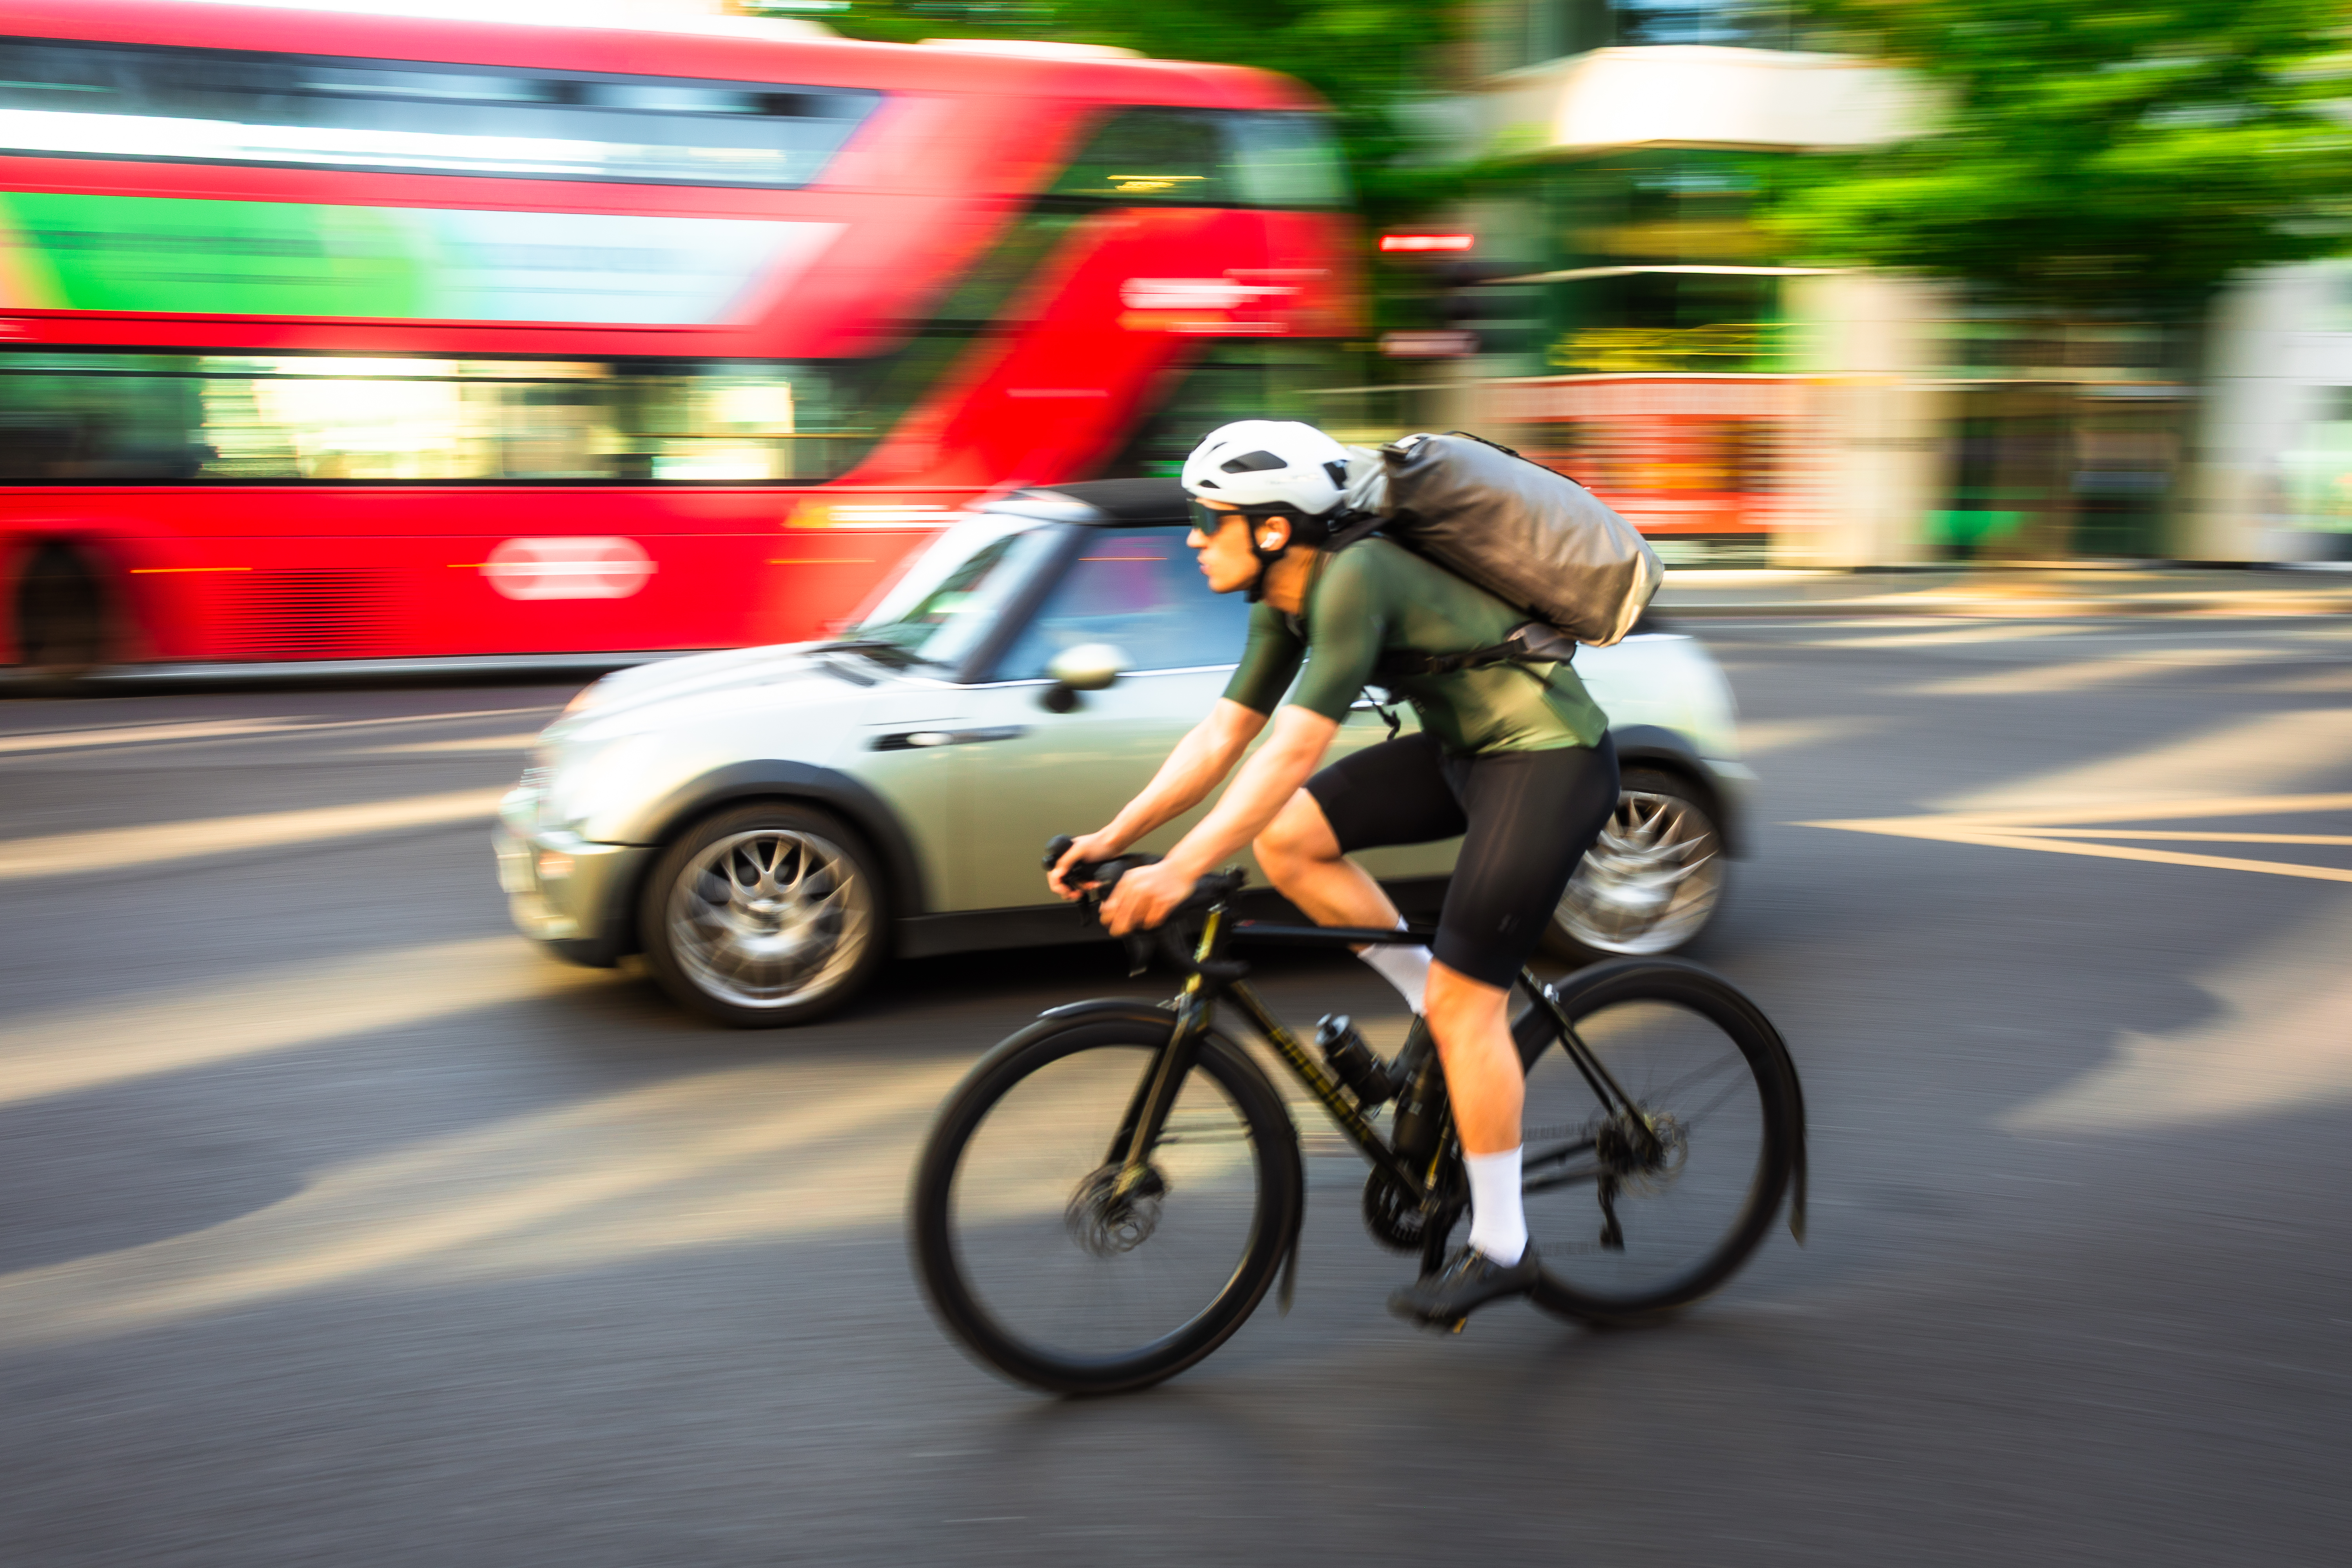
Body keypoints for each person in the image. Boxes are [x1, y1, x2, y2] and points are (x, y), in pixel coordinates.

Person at [1049, 419, 1621, 1327]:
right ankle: (1431, 1000)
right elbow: (1225, 734)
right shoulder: (1281, 594)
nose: (1193, 536)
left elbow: (1293, 748)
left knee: (1474, 1008)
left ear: (1273, 527)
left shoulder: (1354, 576)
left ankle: (1504, 1243)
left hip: (1548, 758)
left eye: (1208, 518)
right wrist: (1113, 835)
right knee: (1289, 840)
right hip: (1461, 750)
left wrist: (1181, 868)